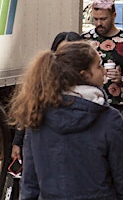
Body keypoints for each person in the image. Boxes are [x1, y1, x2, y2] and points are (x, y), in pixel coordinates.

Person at [9, 41, 123, 199]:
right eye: (98, 66)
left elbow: (30, 183)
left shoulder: (37, 117)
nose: (104, 71)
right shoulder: (109, 119)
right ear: (84, 74)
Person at [11, 31, 83, 166]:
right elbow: (26, 114)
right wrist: (17, 142)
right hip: (43, 150)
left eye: (71, 53)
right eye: (61, 53)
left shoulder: (89, 86)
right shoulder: (42, 80)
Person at [82, 0, 123, 112]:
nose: (99, 23)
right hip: (88, 103)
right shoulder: (85, 40)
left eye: (103, 19)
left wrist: (122, 79)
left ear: (114, 16)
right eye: (95, 19)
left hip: (115, 107)